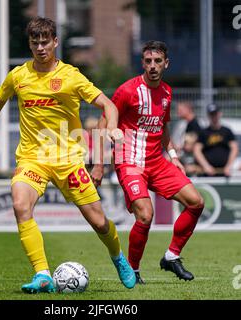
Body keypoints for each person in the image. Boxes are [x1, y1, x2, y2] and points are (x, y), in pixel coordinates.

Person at [0, 17, 135, 294]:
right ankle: (42, 274)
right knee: (20, 205)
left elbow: (107, 104)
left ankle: (118, 258)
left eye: (45, 42)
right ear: (29, 44)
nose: (40, 47)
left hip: (68, 159)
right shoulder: (18, 76)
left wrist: (111, 129)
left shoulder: (71, 76)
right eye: (34, 42)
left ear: (55, 42)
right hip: (32, 159)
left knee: (99, 221)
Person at [92, 40, 204, 284]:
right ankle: (133, 270)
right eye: (148, 61)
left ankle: (172, 256)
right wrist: (98, 164)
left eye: (158, 61)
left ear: (166, 64)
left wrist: (173, 157)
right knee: (145, 214)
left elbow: (163, 127)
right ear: (142, 63)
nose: (152, 66)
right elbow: (102, 124)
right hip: (129, 161)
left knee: (196, 202)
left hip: (157, 161)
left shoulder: (166, 92)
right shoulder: (127, 91)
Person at [193, 103, 239, 177]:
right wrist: (206, 166)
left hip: (225, 173)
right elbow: (197, 150)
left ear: (220, 114)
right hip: (207, 173)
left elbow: (234, 148)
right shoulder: (203, 132)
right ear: (208, 116)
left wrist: (229, 166)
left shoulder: (227, 131)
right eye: (211, 114)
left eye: (215, 114)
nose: (214, 117)